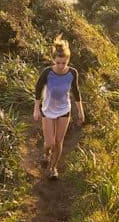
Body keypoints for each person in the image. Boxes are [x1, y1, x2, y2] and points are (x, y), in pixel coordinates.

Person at [32, 34, 84, 179]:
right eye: (59, 62)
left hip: (64, 110)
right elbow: (38, 89)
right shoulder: (47, 73)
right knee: (49, 143)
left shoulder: (73, 73)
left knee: (58, 141)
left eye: (64, 63)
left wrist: (80, 111)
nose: (61, 66)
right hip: (48, 109)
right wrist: (36, 109)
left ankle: (53, 168)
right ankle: (46, 154)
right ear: (54, 60)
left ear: (68, 60)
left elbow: (76, 92)